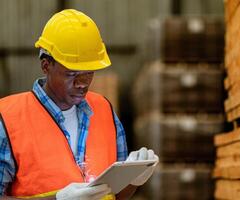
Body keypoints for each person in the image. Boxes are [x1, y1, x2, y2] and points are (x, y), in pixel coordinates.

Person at [0, 9, 158, 200]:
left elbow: (115, 195)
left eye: (89, 72)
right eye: (72, 73)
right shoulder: (8, 119)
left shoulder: (104, 110)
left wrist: (134, 179)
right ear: (46, 65)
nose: (83, 82)